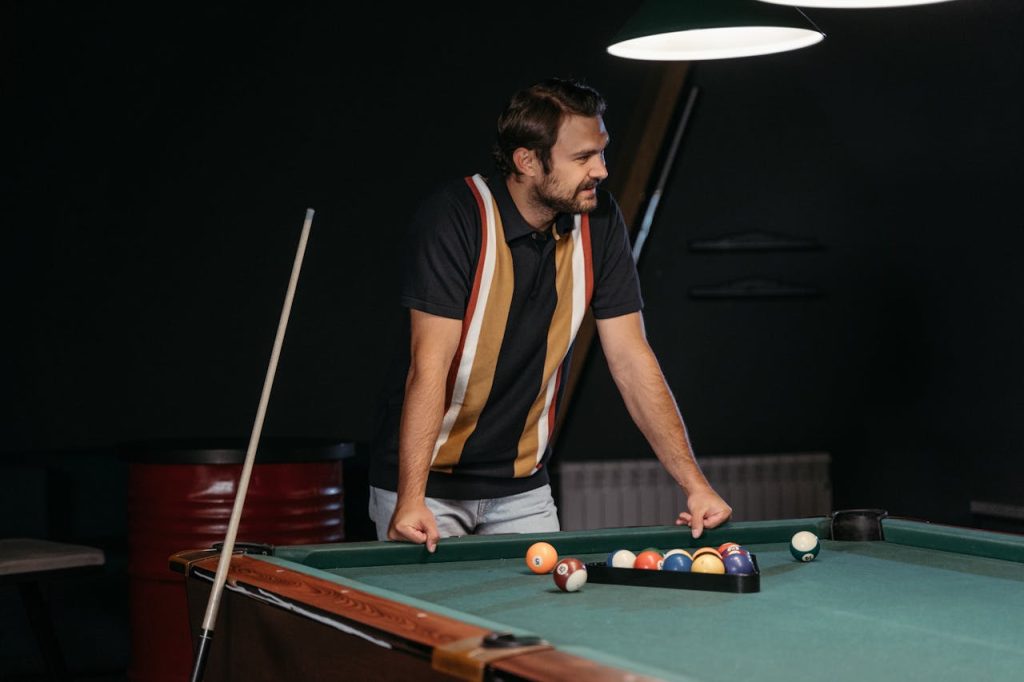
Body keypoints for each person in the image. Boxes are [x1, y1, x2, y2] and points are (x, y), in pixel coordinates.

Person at [368, 77, 731, 551]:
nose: (601, 170)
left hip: (523, 491)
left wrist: (695, 485)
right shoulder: (455, 217)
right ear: (526, 161)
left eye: (602, 152)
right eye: (582, 158)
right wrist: (411, 498)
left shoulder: (598, 220)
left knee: (541, 623)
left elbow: (631, 358)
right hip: (426, 490)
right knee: (432, 627)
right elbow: (428, 366)